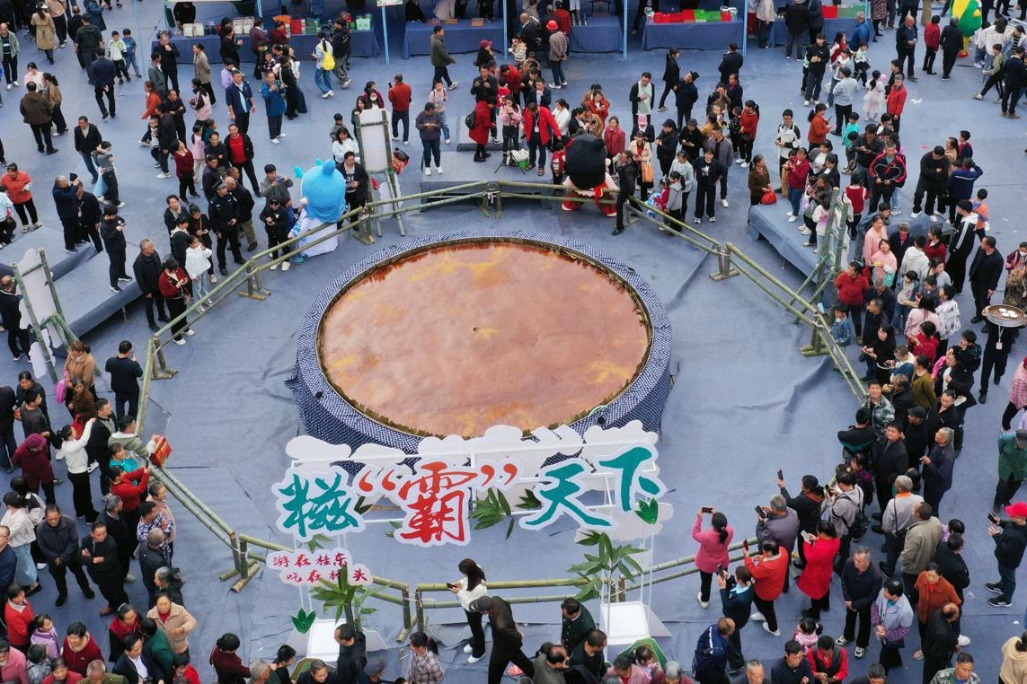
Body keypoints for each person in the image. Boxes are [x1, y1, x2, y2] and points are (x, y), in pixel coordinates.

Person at [468, 596, 533, 684]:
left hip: (502, 647)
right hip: (508, 641)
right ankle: (534, 674)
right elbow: (507, 605)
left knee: (494, 669)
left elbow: (515, 637)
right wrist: (511, 623)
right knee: (520, 659)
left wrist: (519, 635)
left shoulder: (500, 625)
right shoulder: (495, 599)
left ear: (484, 611)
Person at [79, 521, 126, 616]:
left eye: (104, 533)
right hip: (97, 577)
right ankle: (112, 606)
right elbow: (80, 557)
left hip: (112, 575)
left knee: (119, 595)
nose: (102, 536)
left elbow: (106, 566)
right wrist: (93, 560)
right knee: (106, 593)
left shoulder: (111, 545)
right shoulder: (85, 540)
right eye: (98, 534)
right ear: (92, 534)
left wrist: (88, 558)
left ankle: (124, 611)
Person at [986, 500, 1027, 608]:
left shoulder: (1019, 538)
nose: (1009, 515)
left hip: (1008, 561)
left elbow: (1006, 550)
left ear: (1021, 518)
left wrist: (996, 536)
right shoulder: (1018, 523)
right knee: (1004, 575)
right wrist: (1000, 522)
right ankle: (1002, 586)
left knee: (1009, 578)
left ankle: (1006, 599)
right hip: (1004, 559)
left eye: (1012, 515)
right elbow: (1009, 524)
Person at [744, 538, 788, 636]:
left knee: (769, 610)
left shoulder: (767, 566)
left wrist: (747, 557)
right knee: (757, 598)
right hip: (774, 586)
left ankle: (774, 628)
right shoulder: (783, 551)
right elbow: (769, 558)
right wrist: (762, 557)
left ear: (769, 552)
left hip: (767, 592)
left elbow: (753, 572)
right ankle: (762, 613)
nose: (762, 551)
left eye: (764, 550)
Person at [797, 521, 840, 619]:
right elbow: (825, 541)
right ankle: (825, 605)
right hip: (827, 569)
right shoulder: (836, 540)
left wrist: (807, 543)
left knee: (815, 594)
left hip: (816, 573)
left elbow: (810, 558)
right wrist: (816, 539)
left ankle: (815, 614)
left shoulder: (821, 549)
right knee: (825, 588)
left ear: (823, 533)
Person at [871, 578, 913, 673]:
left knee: (884, 658)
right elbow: (875, 606)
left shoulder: (906, 611)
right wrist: (877, 624)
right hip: (881, 631)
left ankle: (882, 677)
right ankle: (896, 661)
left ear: (894, 595)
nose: (883, 593)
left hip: (892, 637)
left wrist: (886, 634)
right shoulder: (883, 593)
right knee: (891, 649)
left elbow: (904, 630)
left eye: (886, 592)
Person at [693, 509, 733, 608]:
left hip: (706, 565)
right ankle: (728, 595)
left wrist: (699, 519)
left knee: (706, 582)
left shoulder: (707, 536)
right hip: (722, 562)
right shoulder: (730, 531)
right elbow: (723, 526)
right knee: (724, 579)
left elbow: (695, 533)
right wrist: (716, 515)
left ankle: (705, 600)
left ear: (713, 525)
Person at [718, 566, 753, 672]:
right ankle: (738, 654)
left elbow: (726, 605)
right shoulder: (750, 582)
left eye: (736, 577)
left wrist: (722, 588)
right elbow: (737, 583)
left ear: (741, 580)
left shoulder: (740, 599)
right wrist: (728, 577)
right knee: (734, 637)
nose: (735, 578)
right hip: (740, 616)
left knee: (729, 640)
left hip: (734, 620)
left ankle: (736, 663)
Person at [968, 236, 1003, 322]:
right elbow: (975, 262)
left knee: (985, 304)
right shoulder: (980, 249)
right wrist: (971, 273)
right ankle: (979, 315)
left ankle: (988, 322)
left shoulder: (998, 259)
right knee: (977, 299)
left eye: (983, 243)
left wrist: (992, 288)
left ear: (989, 246)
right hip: (975, 281)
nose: (981, 244)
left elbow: (996, 276)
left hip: (986, 286)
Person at [691, 619, 733, 684]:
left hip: (712, 664)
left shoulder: (713, 628)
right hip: (711, 674)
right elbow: (704, 666)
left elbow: (701, 641)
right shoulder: (717, 652)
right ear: (729, 633)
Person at [415, 102, 443, 176]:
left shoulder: (437, 114)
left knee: (437, 151)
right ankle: (427, 167)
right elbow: (417, 125)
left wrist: (435, 126)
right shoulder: (420, 115)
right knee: (427, 152)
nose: (433, 111)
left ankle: (438, 166)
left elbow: (441, 123)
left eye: (434, 110)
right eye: (432, 110)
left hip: (436, 137)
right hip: (425, 138)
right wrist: (424, 125)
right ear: (427, 110)